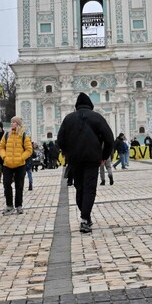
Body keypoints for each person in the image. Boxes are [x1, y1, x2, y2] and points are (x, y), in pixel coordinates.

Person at [56, 93, 115, 234]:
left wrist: (67, 152)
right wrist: (104, 156)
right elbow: (109, 139)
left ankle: (85, 217)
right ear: (90, 105)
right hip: (92, 159)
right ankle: (85, 218)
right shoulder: (97, 117)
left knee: (80, 187)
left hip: (74, 160)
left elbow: (60, 140)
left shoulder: (68, 118)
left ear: (77, 106)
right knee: (89, 188)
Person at [0, 116, 33, 216]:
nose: (12, 124)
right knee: (6, 185)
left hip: (20, 164)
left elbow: (29, 149)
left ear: (18, 124)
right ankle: (9, 205)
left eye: (14, 122)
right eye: (11, 122)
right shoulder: (6, 135)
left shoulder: (23, 135)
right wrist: (4, 157)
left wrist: (22, 158)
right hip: (7, 164)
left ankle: (19, 205)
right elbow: (1, 147)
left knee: (19, 186)